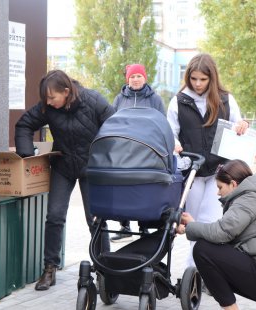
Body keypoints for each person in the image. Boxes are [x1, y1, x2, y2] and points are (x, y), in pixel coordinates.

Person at [15, 69, 115, 291]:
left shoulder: (93, 100)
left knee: (95, 220)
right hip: (63, 166)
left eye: (52, 97)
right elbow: (24, 124)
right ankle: (49, 268)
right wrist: (26, 156)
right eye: (46, 98)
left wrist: (105, 155)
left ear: (67, 92)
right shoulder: (48, 108)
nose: (48, 103)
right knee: (54, 216)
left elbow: (116, 125)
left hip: (93, 167)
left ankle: (105, 270)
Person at [176, 159, 256, 310]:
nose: (218, 192)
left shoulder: (248, 199)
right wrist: (193, 224)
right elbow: (225, 235)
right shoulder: (253, 196)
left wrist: (190, 227)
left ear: (233, 184)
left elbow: (221, 233)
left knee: (202, 250)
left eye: (220, 187)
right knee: (214, 259)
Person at [166, 53, 249, 267]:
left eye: (203, 79)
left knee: (210, 221)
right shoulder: (178, 101)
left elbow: (238, 124)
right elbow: (169, 132)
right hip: (191, 170)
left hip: (218, 172)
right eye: (194, 79)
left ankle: (200, 269)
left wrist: (242, 125)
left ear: (212, 78)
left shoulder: (226, 99)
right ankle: (195, 270)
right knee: (194, 223)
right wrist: (173, 142)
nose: (198, 84)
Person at [110, 63, 166, 242]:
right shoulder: (119, 99)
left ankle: (144, 226)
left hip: (146, 150)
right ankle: (124, 225)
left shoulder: (155, 99)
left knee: (142, 188)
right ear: (128, 79)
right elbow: (112, 121)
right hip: (123, 150)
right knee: (123, 187)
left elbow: (162, 124)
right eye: (132, 76)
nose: (135, 79)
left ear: (145, 78)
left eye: (138, 76)